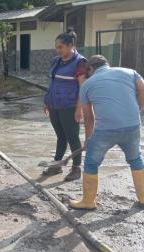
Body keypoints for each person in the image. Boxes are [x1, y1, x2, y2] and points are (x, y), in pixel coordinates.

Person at [70, 55, 144, 210]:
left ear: (90, 69)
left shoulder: (87, 84)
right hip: (132, 126)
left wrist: (88, 138)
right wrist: (136, 110)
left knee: (92, 162)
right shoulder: (130, 72)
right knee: (135, 159)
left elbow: (89, 116)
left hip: (105, 130)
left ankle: (88, 201)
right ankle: (143, 198)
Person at [43, 29, 87, 181]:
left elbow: (83, 87)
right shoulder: (57, 61)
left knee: (73, 137)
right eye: (56, 47)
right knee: (60, 136)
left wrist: (79, 109)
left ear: (70, 45)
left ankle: (76, 168)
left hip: (69, 107)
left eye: (60, 47)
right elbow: (52, 82)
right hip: (55, 105)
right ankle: (57, 165)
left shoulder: (80, 62)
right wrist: (47, 101)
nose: (58, 50)